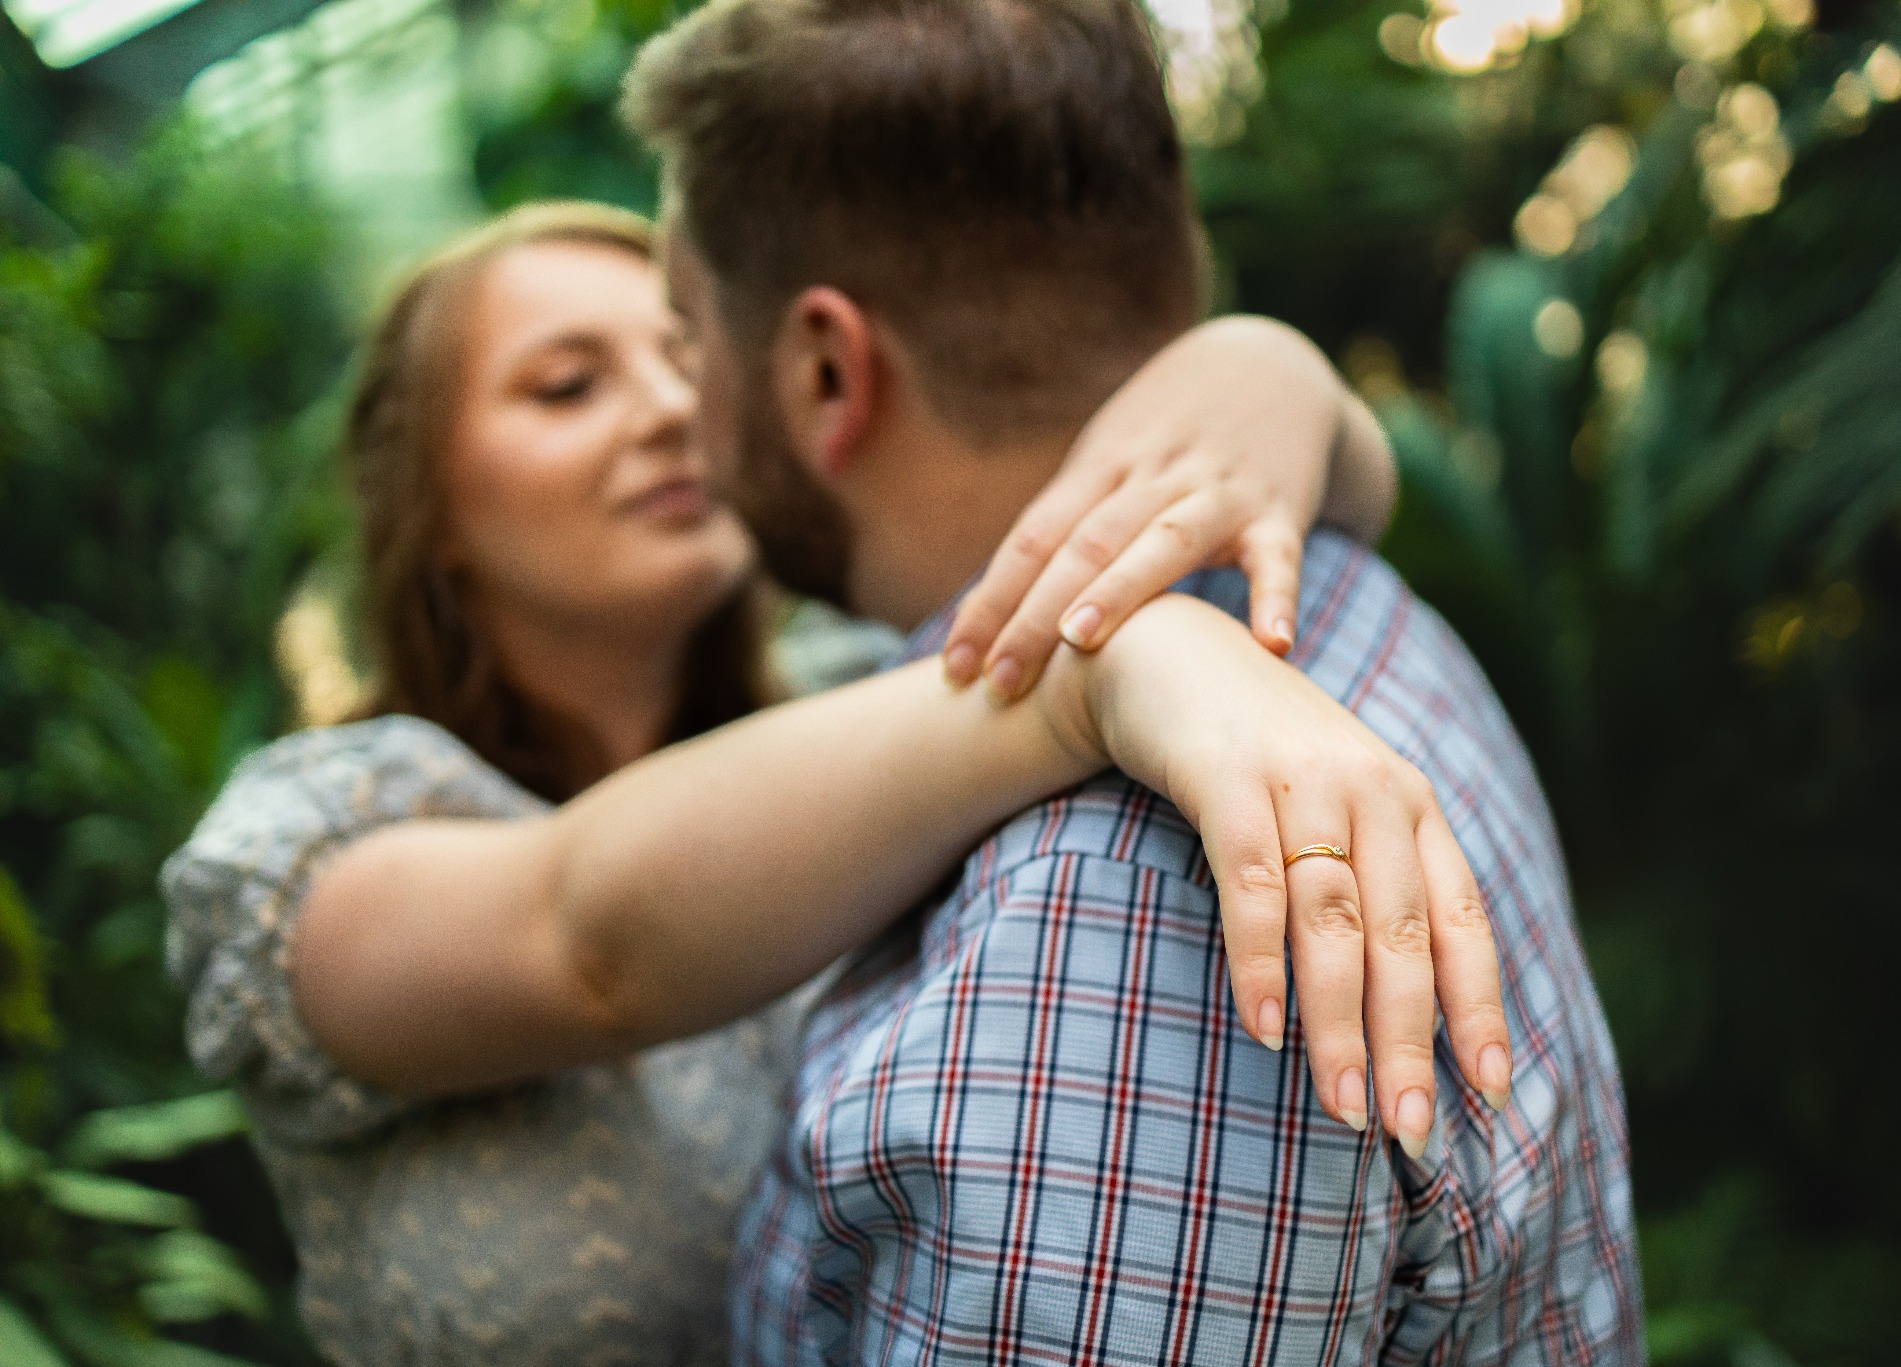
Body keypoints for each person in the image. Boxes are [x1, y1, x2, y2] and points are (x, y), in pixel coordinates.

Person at [161, 198, 1504, 1365]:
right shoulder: (309, 841)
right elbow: (583, 938)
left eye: (687, 357)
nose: (669, 408)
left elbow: (1317, 495)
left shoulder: (876, 684)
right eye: (568, 385)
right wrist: (1109, 666)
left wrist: (1266, 369)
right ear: (432, 508)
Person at [619, 0, 1645, 1360]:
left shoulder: (1102, 932)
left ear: (825, 371)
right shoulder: (1349, 598)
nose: (671, 406)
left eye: (687, 338)